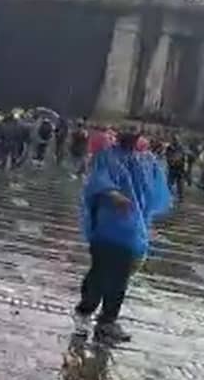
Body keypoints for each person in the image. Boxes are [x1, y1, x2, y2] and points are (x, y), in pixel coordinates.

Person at [72, 130, 172, 344]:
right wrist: (113, 194)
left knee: (120, 277)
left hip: (132, 229)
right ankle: (84, 311)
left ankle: (107, 321)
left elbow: (153, 190)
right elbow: (98, 181)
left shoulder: (145, 160)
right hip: (107, 227)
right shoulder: (107, 157)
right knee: (100, 272)